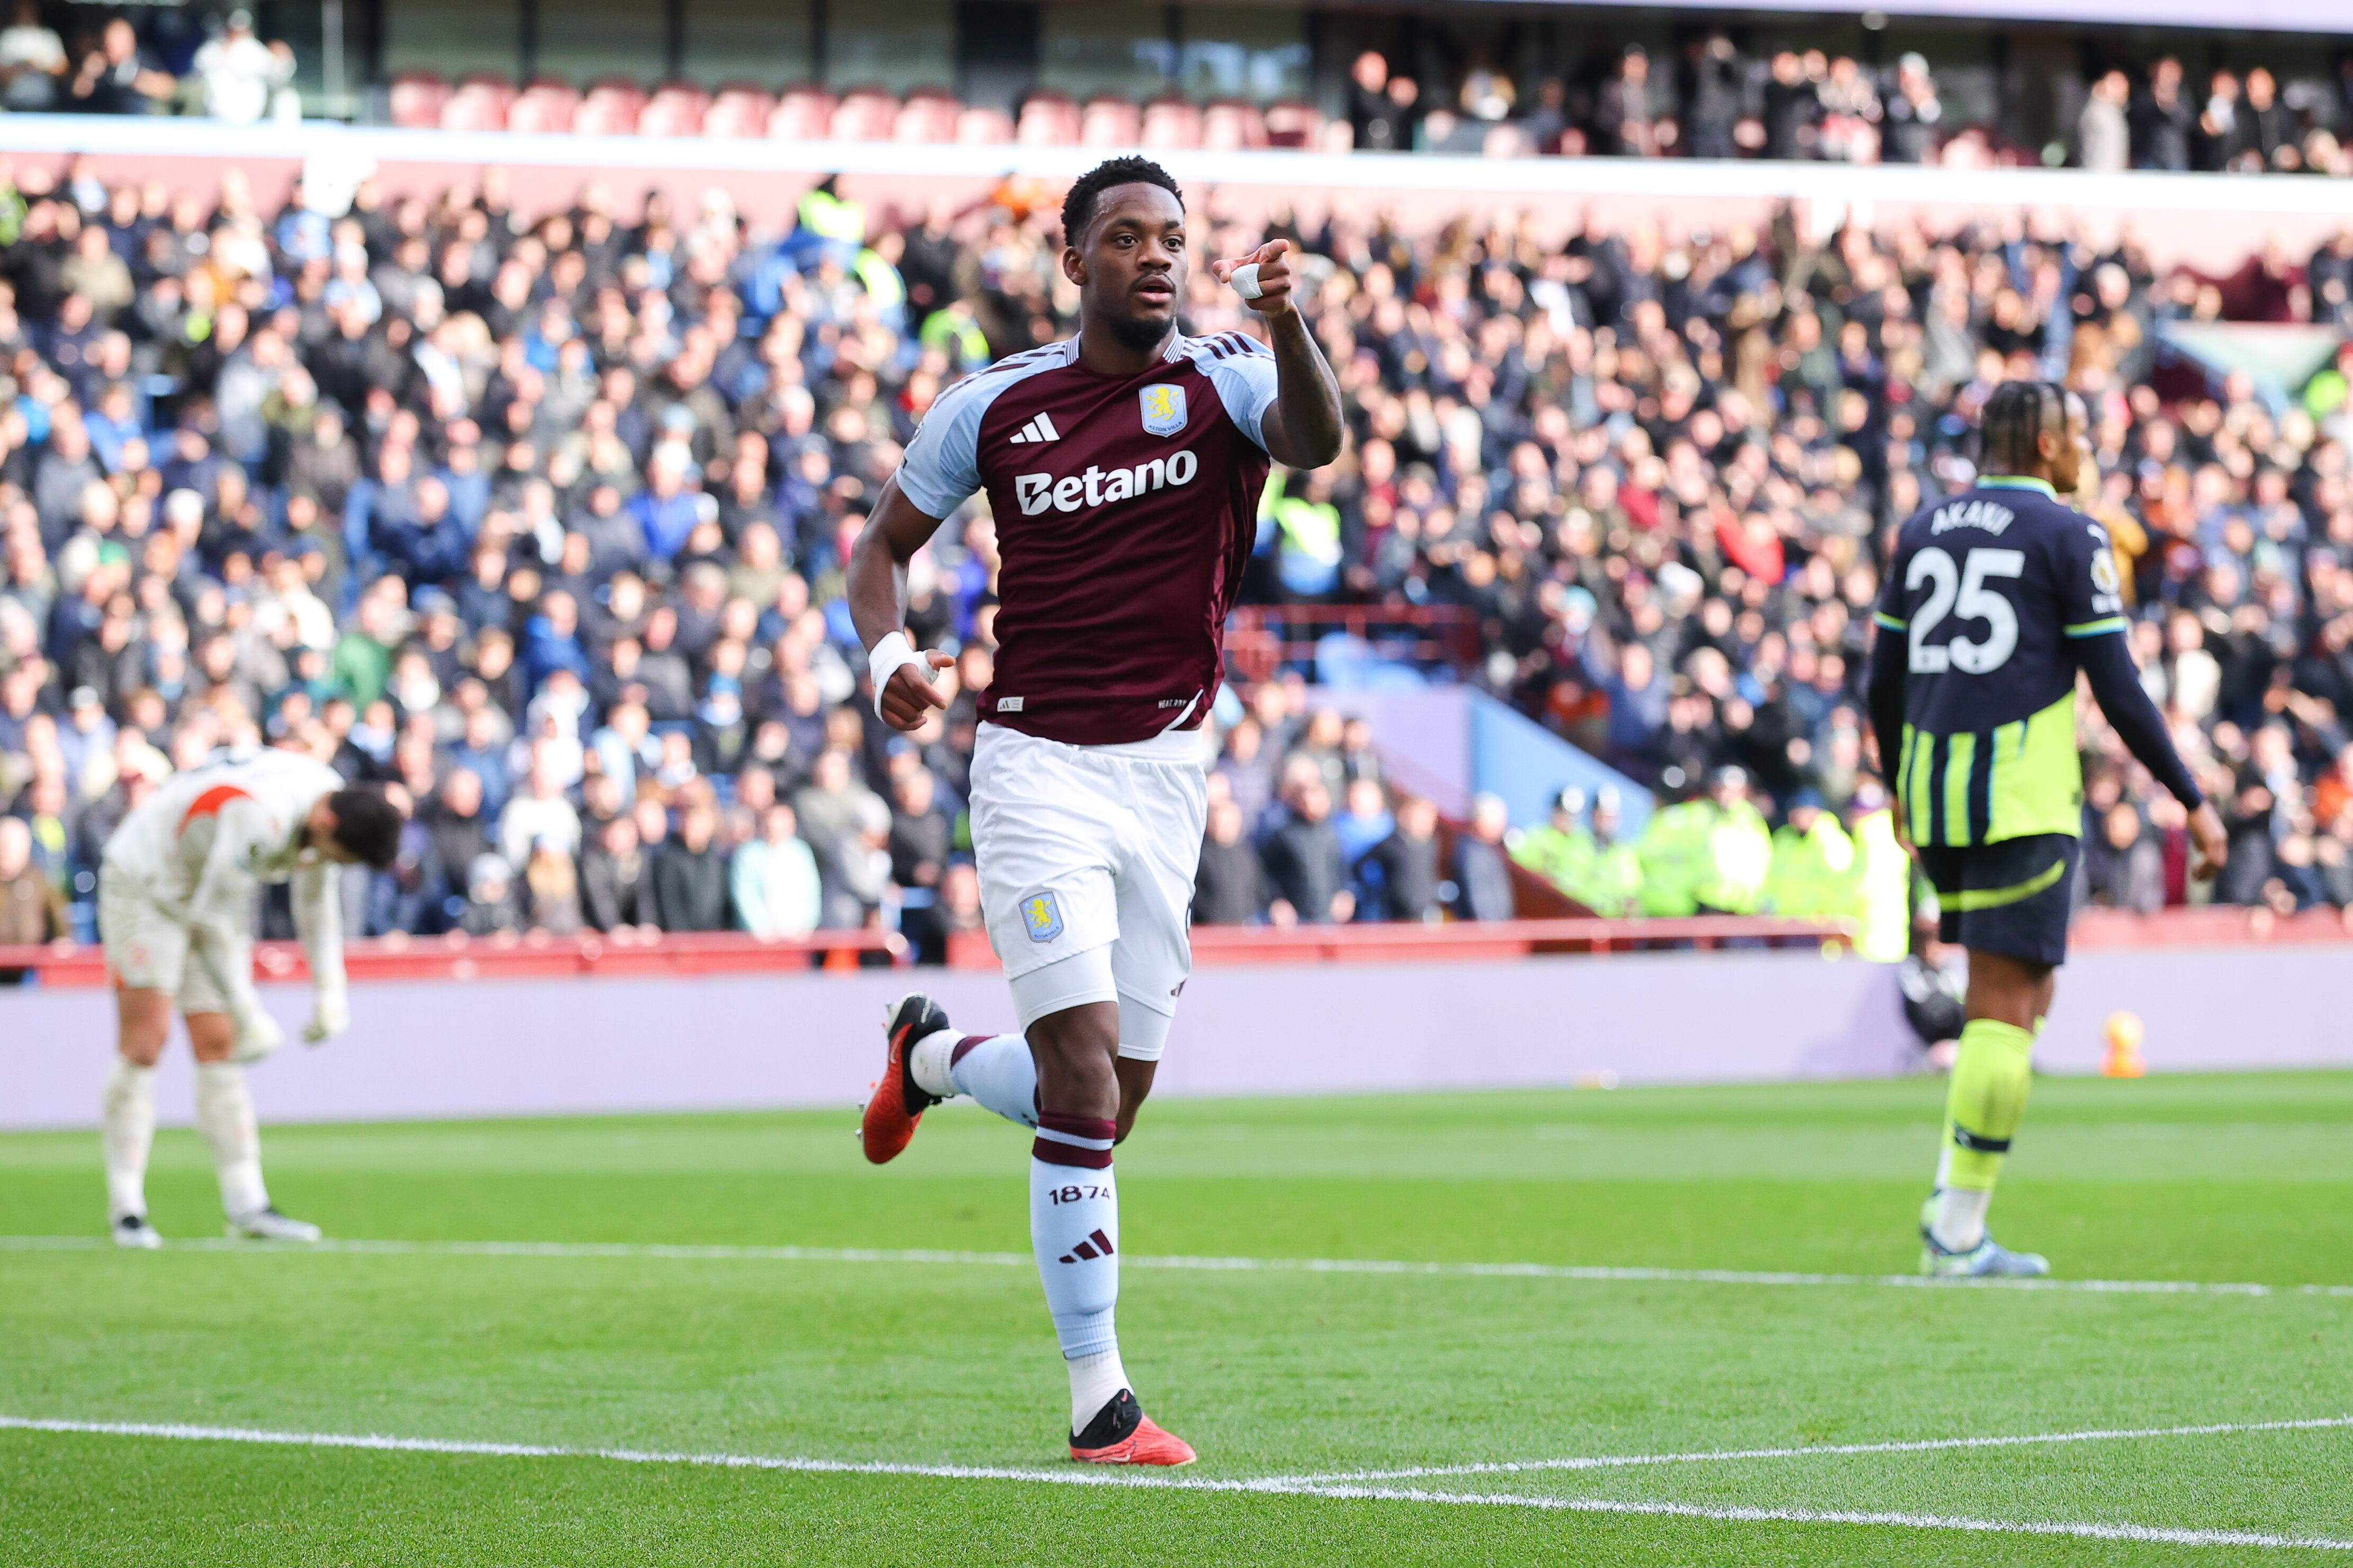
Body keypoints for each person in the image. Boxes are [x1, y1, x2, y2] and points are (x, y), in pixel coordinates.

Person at [844, 155, 1341, 1467]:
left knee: (1109, 1105)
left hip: (1166, 779)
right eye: (1124, 238)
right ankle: (1098, 1401)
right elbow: (880, 551)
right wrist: (890, 660)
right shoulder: (996, 408)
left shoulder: (1231, 377)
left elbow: (1318, 441)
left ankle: (932, 1063)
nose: (1156, 256)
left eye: (1171, 236)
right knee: (1075, 1073)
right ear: (1074, 264)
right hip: (1035, 773)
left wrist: (1291, 325)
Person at [1866, 381, 2226, 1279]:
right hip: (2019, 792)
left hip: (1937, 790)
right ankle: (1955, 1231)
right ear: (2041, 443)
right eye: (2075, 435)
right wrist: (2190, 794)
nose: (2084, 450)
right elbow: (2116, 684)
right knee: (2003, 1003)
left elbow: (1881, 678)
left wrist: (1896, 783)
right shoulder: (2069, 533)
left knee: (2023, 1000)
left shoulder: (1922, 529)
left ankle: (1954, 1202)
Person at [94, 747, 402, 1248]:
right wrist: (249, 1010)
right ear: (326, 821)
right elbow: (212, 921)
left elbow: (314, 901)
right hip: (147, 882)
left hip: (208, 885)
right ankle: (126, 1205)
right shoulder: (261, 816)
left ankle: (247, 1202)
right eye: (334, 853)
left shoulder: (328, 800)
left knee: (218, 1043)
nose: (326, 863)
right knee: (145, 1041)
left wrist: (331, 991)